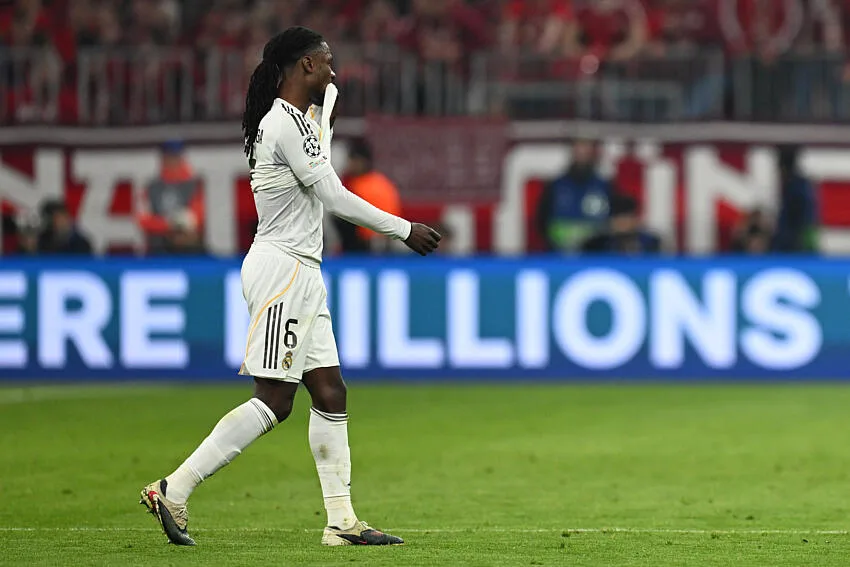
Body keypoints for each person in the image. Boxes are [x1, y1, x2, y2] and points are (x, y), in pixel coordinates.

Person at [140, 27, 441, 548]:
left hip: (302, 270)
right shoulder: (283, 122)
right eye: (326, 61)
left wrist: (325, 120)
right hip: (283, 271)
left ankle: (341, 521)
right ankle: (174, 488)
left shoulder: (293, 122)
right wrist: (402, 229)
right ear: (304, 65)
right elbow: (333, 196)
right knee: (275, 399)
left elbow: (315, 164)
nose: (332, 70)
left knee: (330, 391)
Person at [536, 138, 612, 252]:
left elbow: (615, 223)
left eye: (587, 148)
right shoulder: (555, 186)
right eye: (579, 147)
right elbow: (542, 222)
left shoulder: (606, 187)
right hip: (559, 254)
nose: (582, 152)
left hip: (596, 254)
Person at [334, 138, 403, 254]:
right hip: (386, 240)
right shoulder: (380, 180)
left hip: (369, 243)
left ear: (362, 161)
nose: (350, 164)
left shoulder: (363, 186)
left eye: (352, 160)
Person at [580, 192, 661, 254]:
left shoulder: (650, 243)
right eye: (618, 217)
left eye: (626, 217)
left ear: (635, 220)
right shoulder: (597, 244)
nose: (622, 222)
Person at [772, 145, 818, 252]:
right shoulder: (799, 186)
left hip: (795, 244)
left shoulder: (798, 189)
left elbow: (804, 220)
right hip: (794, 240)